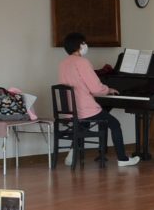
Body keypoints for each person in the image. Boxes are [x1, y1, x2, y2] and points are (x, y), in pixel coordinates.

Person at [57, 32, 139, 166]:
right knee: (114, 124)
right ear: (78, 45)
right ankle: (123, 159)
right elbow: (95, 88)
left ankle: (72, 154)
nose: (85, 45)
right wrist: (108, 90)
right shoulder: (82, 62)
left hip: (70, 108)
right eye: (83, 43)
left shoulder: (63, 63)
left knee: (84, 124)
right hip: (84, 108)